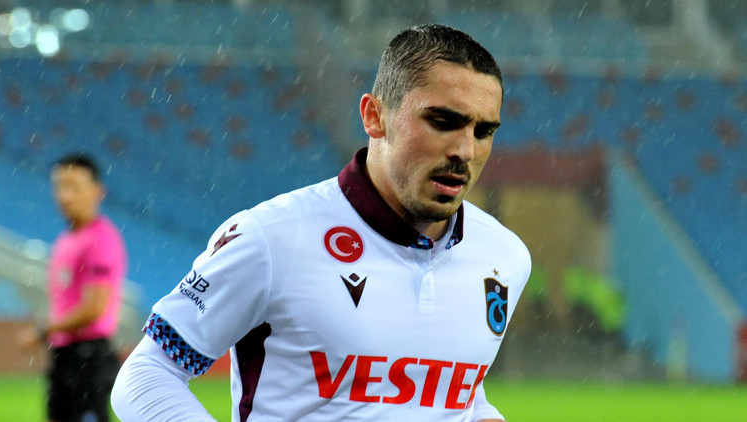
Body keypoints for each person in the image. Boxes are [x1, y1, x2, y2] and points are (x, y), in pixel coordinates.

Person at [111, 23, 530, 421]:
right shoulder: (271, 239)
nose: (465, 150)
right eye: (443, 122)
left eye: (483, 131)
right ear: (374, 116)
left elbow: (454, 392)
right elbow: (146, 374)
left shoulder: (504, 256)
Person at [19, 154, 128, 422]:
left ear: (97, 191)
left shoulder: (102, 239)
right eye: (59, 186)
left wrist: (43, 330)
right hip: (66, 356)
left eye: (74, 187)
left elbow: (95, 308)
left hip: (89, 358)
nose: (64, 196)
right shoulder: (66, 240)